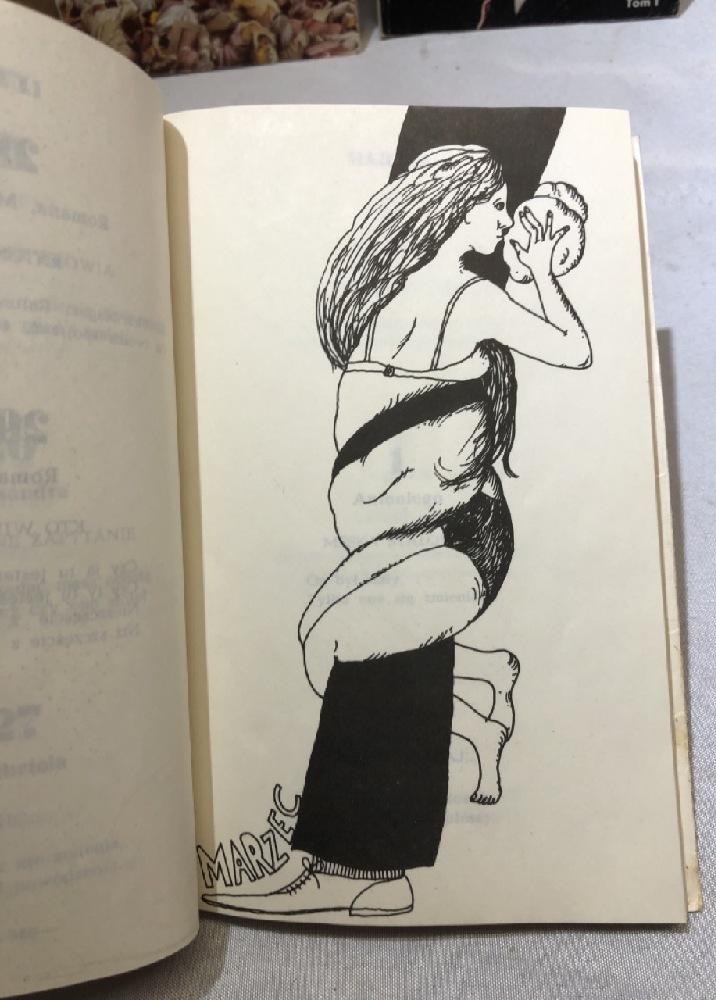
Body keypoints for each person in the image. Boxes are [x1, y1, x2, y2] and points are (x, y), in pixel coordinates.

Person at [202, 147, 590, 918]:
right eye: (493, 205)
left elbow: (574, 350)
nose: (503, 220)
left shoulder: (475, 300)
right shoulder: (384, 296)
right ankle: (467, 708)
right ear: (454, 209)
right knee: (321, 643)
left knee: (341, 644)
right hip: (401, 536)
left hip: (459, 536)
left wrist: (544, 271)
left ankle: (350, 871)